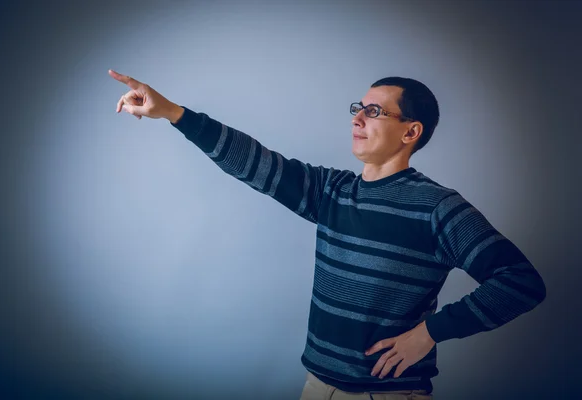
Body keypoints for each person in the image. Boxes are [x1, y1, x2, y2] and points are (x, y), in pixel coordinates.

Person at [108, 69, 547, 400]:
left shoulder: (437, 207)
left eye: (375, 111)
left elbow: (520, 283)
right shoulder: (333, 191)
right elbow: (254, 162)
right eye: (358, 108)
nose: (359, 117)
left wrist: (429, 332)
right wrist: (172, 113)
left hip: (387, 395)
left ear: (411, 132)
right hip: (317, 387)